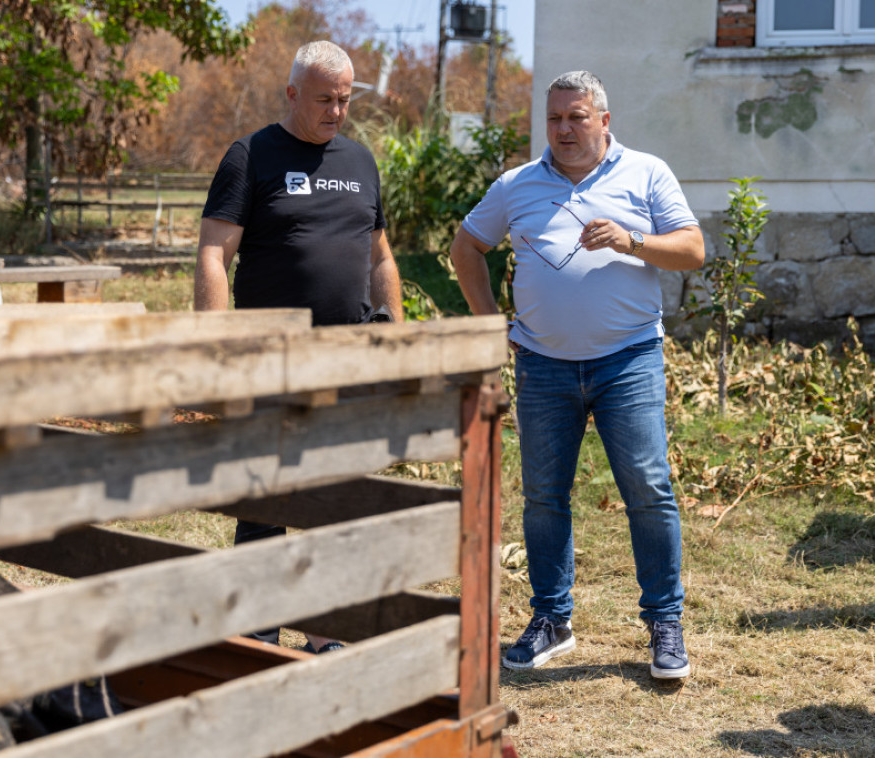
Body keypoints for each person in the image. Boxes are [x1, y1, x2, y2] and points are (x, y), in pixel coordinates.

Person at [449, 70, 704, 679]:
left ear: (604, 120)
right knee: (544, 496)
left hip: (628, 361)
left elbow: (693, 249)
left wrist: (631, 240)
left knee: (648, 489)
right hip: (542, 366)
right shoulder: (516, 185)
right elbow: (466, 248)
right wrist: (490, 323)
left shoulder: (646, 173)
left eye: (577, 117)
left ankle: (664, 622)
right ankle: (551, 620)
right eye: (555, 118)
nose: (564, 129)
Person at [195, 40, 404, 654]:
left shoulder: (360, 160)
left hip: (345, 365)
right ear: (291, 94)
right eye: (323, 100)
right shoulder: (251, 156)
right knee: (264, 501)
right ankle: (257, 644)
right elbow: (213, 254)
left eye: (344, 100)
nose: (336, 112)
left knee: (335, 502)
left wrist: (394, 333)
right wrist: (215, 350)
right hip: (270, 363)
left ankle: (325, 637)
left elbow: (380, 257)